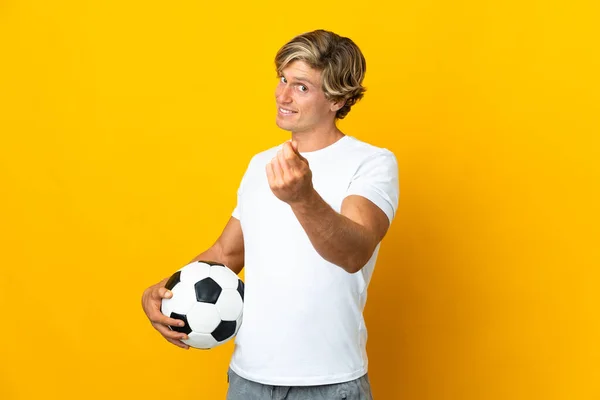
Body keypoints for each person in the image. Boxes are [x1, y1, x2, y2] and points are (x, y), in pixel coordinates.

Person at [142, 29, 399, 399]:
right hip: (249, 381)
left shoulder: (372, 163)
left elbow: (354, 252)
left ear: (337, 99)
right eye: (282, 79)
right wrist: (164, 293)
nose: (283, 95)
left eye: (302, 87)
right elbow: (225, 255)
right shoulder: (261, 164)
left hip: (330, 383)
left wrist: (303, 198)